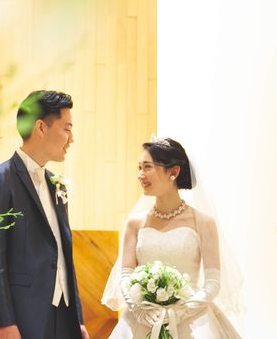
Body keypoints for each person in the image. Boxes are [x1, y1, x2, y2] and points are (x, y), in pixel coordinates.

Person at [103, 136, 242, 338]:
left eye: (147, 167)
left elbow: (212, 282)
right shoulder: (135, 224)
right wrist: (139, 308)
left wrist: (181, 311)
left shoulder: (203, 222)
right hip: (144, 318)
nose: (140, 175)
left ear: (174, 172)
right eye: (139, 168)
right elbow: (125, 275)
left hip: (192, 319)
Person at [0, 90, 89, 339]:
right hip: (21, 319)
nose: (71, 138)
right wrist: (4, 323)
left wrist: (78, 320)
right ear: (41, 127)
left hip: (64, 318)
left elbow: (64, 257)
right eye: (67, 129)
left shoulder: (57, 185)